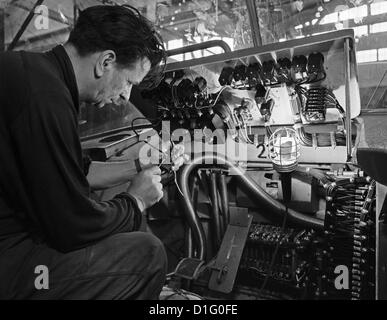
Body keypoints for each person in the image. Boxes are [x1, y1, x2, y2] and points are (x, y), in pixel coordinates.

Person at [0, 5, 172, 299]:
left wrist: (139, 164)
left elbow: (78, 170)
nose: (125, 97)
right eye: (129, 82)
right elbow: (72, 228)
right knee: (148, 253)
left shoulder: (34, 73)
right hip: (8, 253)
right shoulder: (46, 97)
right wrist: (136, 201)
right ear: (106, 61)